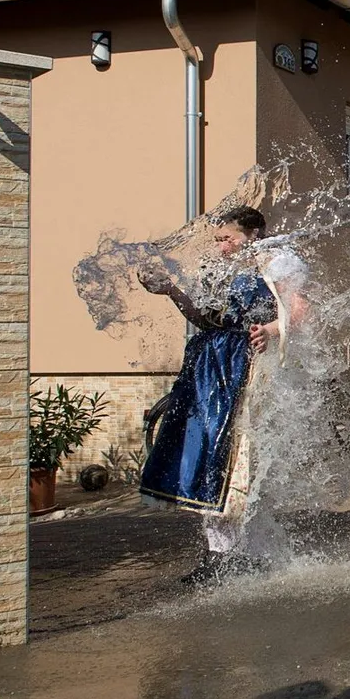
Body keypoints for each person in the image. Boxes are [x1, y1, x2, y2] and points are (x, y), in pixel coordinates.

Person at [138, 206, 278, 585]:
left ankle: (240, 554)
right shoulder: (221, 271)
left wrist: (272, 330)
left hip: (240, 368)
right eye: (218, 239)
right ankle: (219, 555)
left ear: (254, 235)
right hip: (207, 369)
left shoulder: (273, 263)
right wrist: (170, 290)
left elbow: (299, 311)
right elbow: (204, 319)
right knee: (206, 455)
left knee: (232, 458)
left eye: (227, 238)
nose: (221, 246)